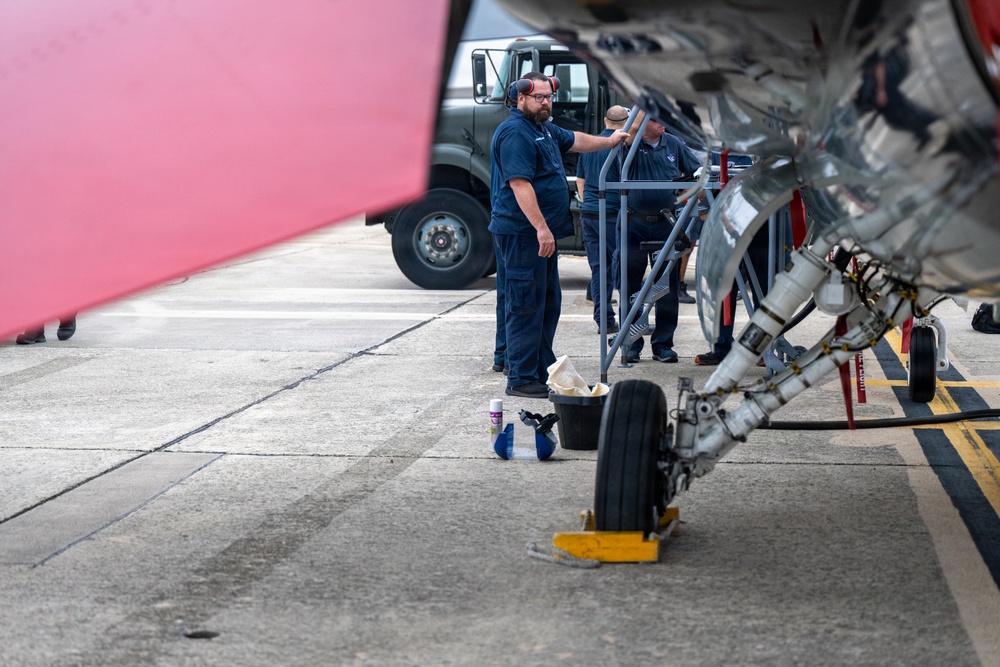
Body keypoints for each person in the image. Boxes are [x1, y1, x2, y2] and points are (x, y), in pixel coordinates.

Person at [490, 72, 627, 398]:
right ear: (520, 98)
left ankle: (538, 368)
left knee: (547, 303)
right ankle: (521, 378)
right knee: (525, 304)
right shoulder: (515, 133)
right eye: (539, 97)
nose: (546, 102)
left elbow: (576, 139)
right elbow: (519, 185)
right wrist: (541, 229)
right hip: (524, 233)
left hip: (538, 235)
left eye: (549, 97)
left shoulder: (542, 127)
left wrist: (608, 141)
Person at [620, 110, 700, 363]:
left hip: (666, 223)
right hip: (633, 223)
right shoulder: (628, 143)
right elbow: (629, 131)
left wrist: (689, 200)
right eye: (655, 119)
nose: (662, 123)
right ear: (642, 123)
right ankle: (631, 342)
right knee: (630, 284)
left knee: (667, 286)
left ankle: (663, 344)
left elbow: (697, 173)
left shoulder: (673, 143)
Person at [575, 105, 629, 334]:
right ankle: (630, 319)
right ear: (626, 122)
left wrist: (587, 200)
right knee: (622, 267)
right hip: (612, 213)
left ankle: (604, 320)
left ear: (605, 120)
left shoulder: (590, 145)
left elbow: (580, 181)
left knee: (599, 268)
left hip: (589, 212)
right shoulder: (622, 146)